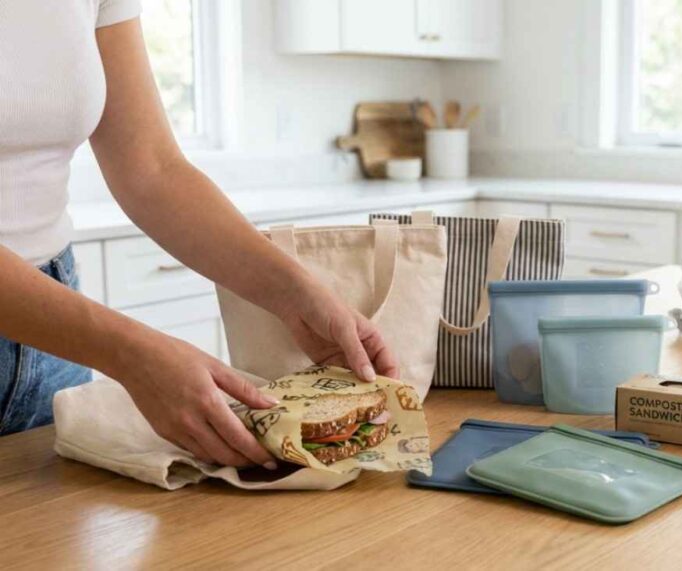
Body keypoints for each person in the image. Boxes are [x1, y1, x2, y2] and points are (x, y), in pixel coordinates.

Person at [0, 1, 399, 470]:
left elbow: (152, 170)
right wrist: (133, 355)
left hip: (55, 331)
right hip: (69, 328)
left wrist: (298, 292)